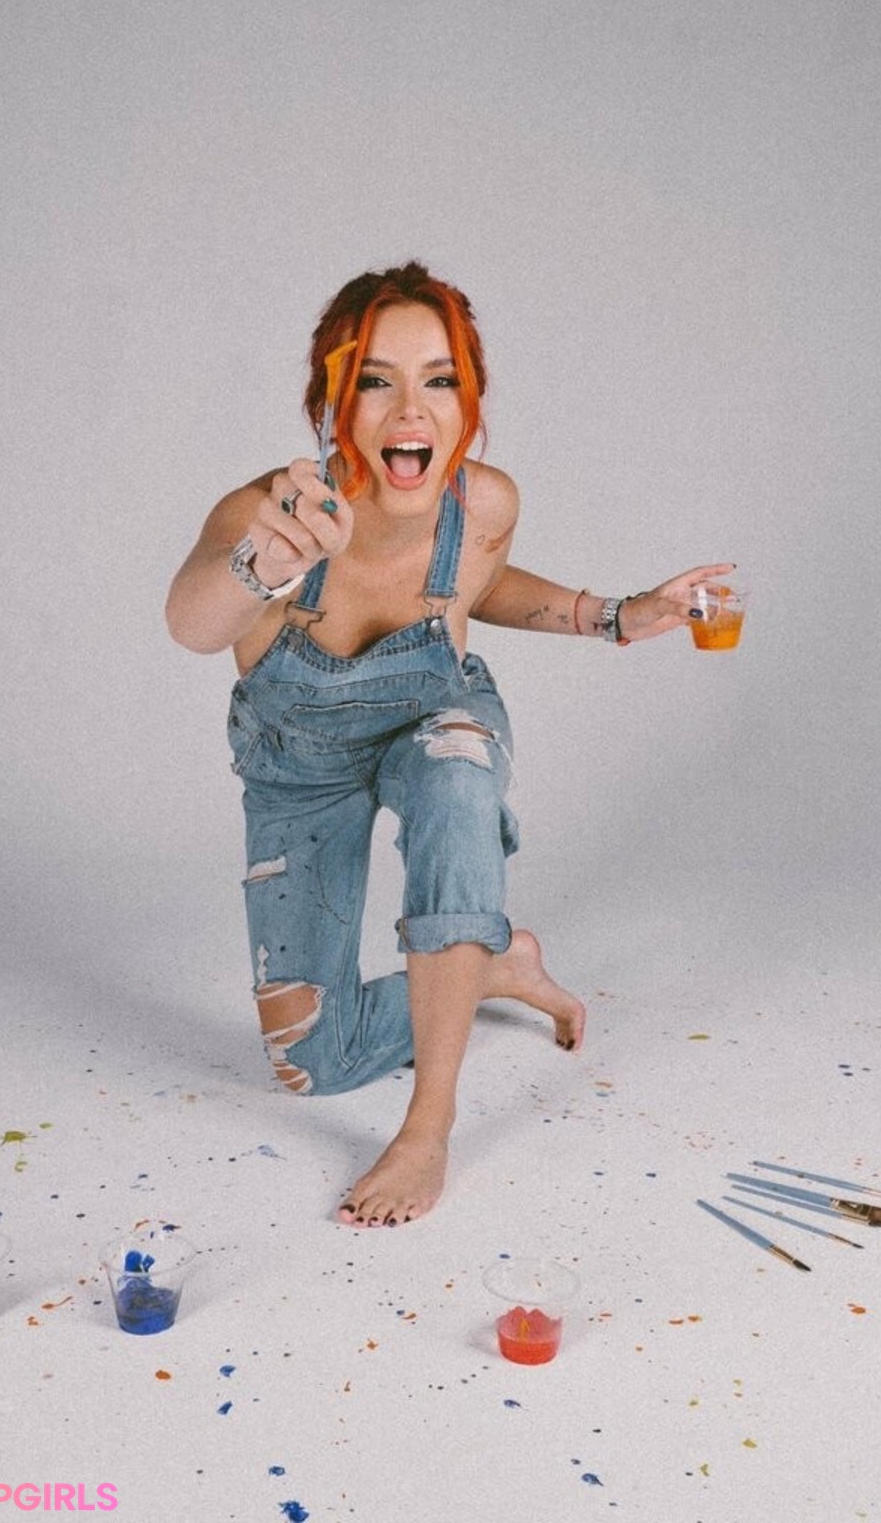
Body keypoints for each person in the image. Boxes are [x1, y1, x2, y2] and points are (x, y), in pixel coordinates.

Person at [166, 261, 733, 1229]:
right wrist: (265, 563)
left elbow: (481, 580)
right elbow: (191, 621)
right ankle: (493, 967)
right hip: (300, 767)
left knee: (457, 772)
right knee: (312, 1062)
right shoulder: (269, 517)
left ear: (469, 400)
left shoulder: (486, 504)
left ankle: (429, 1125)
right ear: (331, 401)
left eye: (440, 379)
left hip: (435, 719)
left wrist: (617, 616)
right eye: (375, 381)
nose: (410, 411)